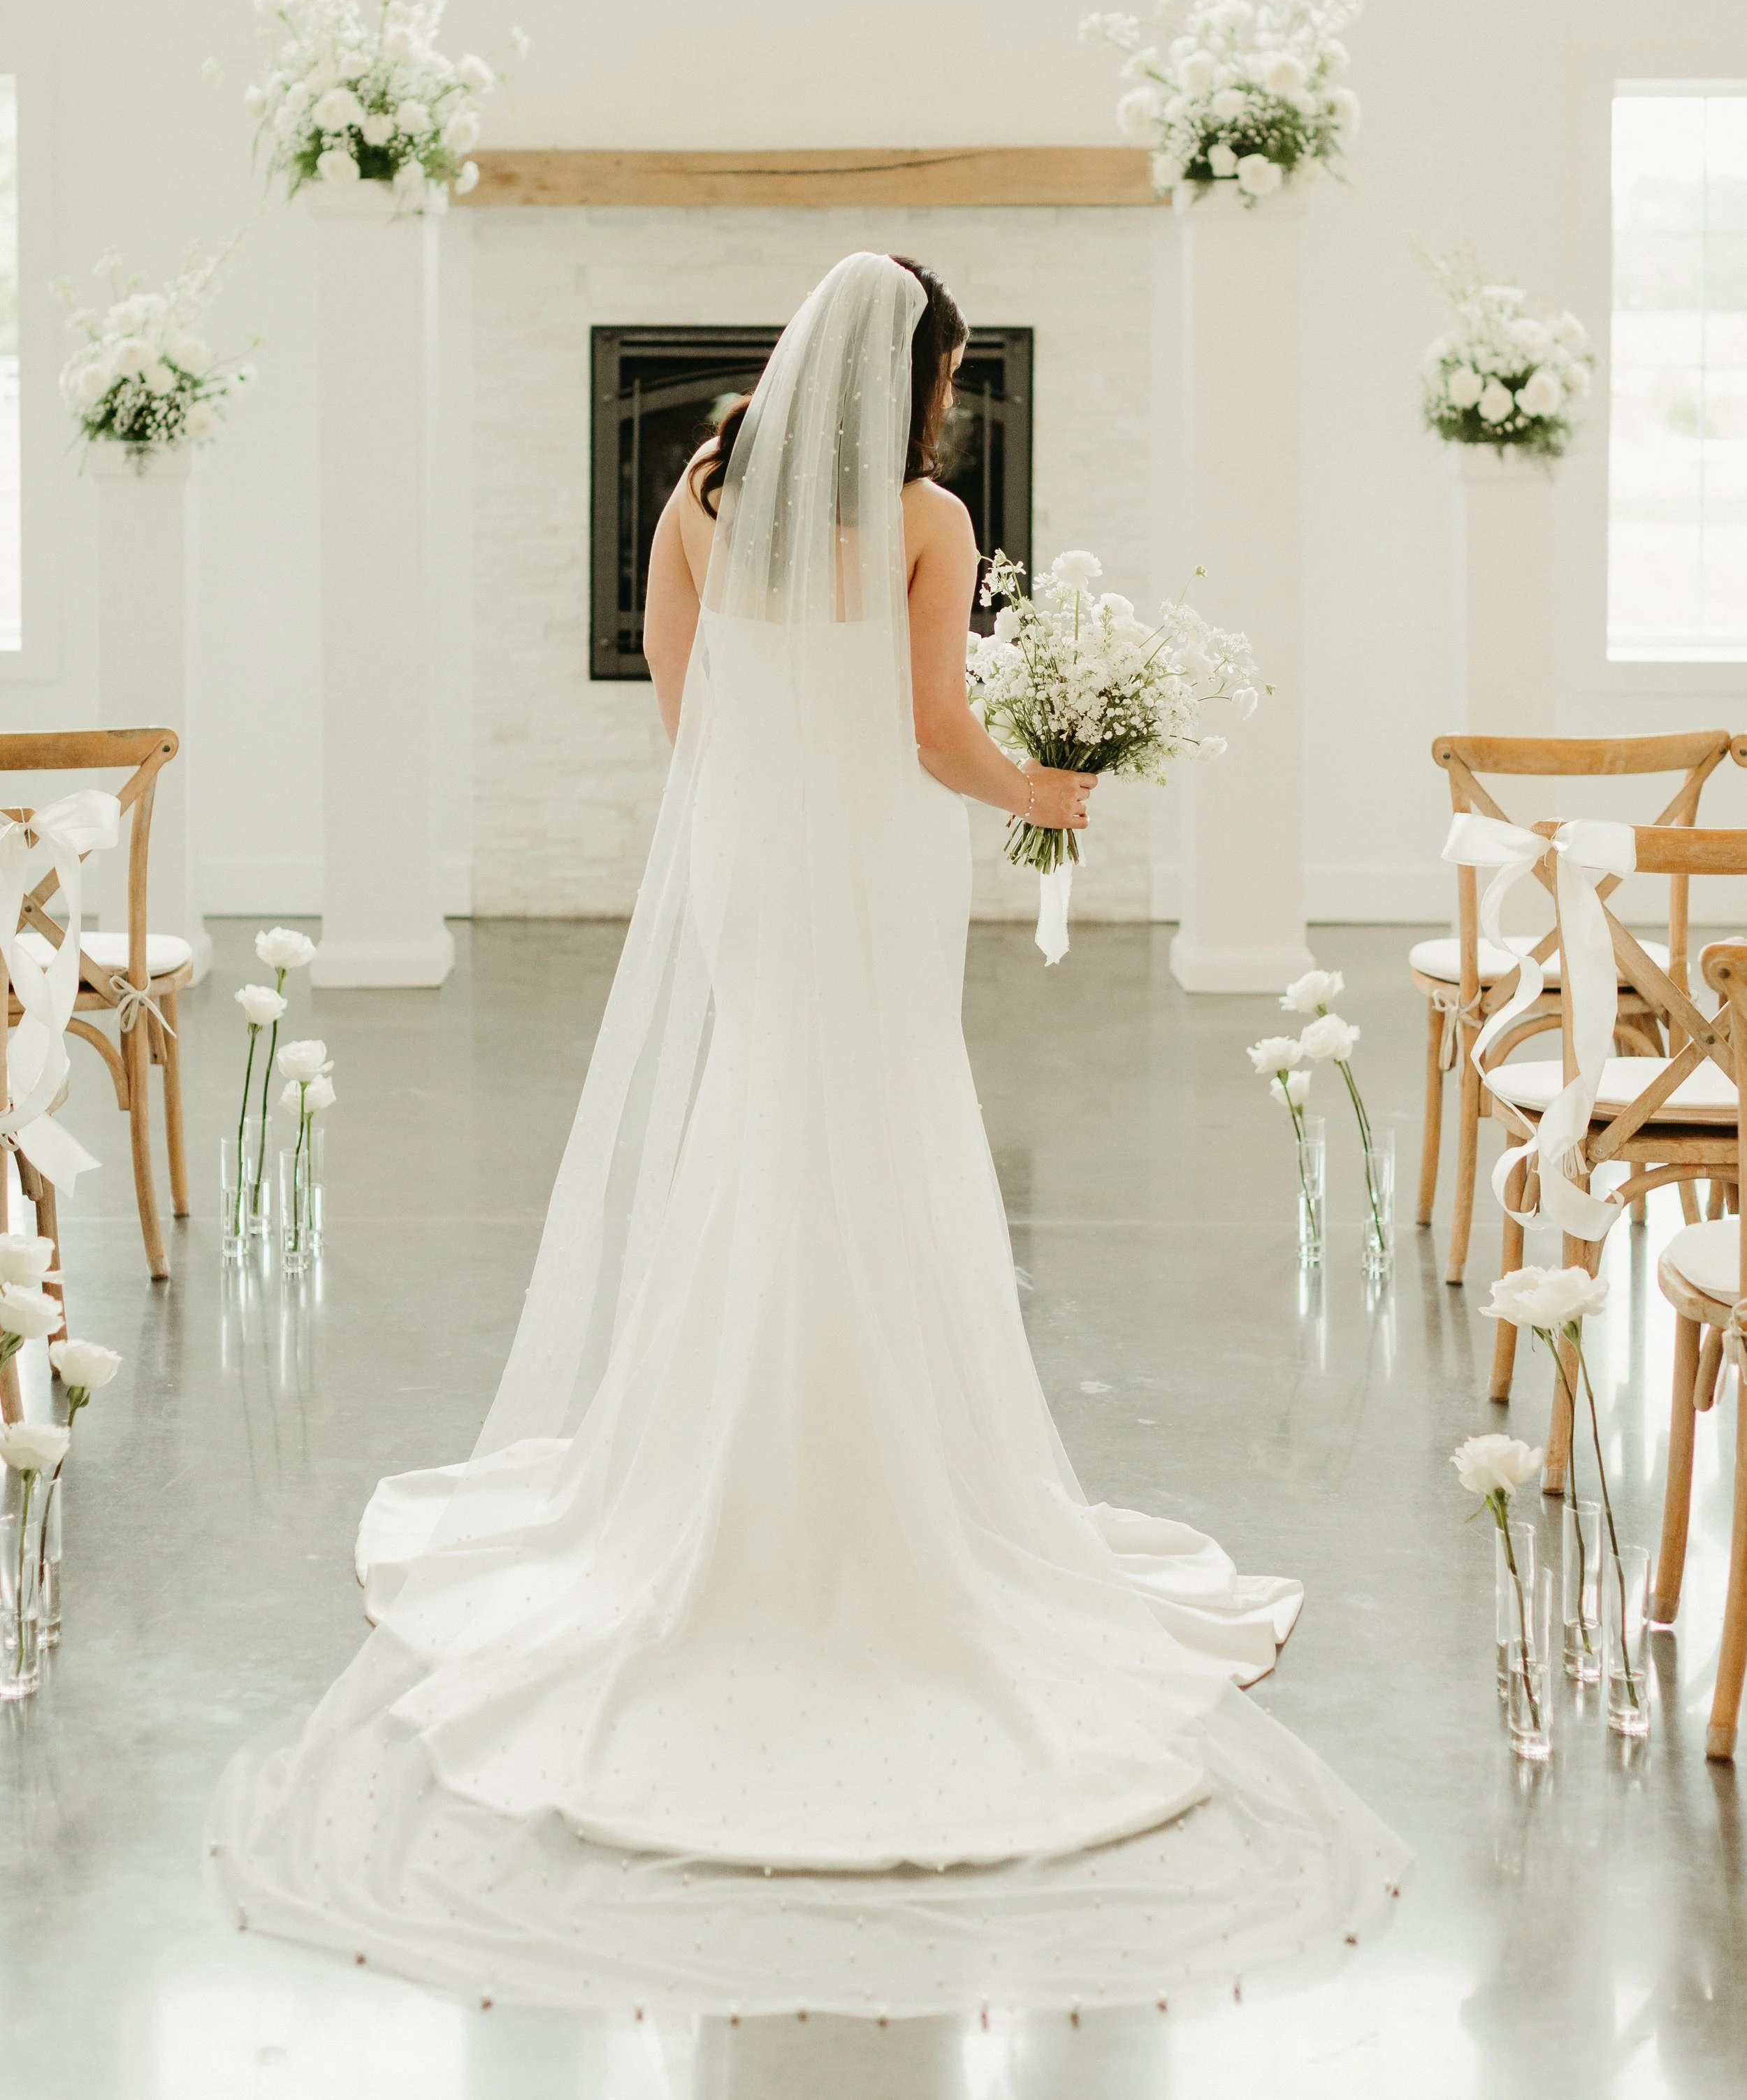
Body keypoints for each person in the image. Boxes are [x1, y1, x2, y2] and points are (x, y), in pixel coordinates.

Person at [210, 253, 1405, 2014]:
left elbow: (690, 725)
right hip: (868, 876)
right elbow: (933, 736)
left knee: (763, 1149)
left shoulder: (696, 499)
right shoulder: (920, 516)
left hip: (759, 875)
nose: (943, 402)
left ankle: (724, 1473)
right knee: (885, 1146)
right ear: (906, 376)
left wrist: (784, 805)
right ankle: (877, 1489)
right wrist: (1047, 789)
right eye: (942, 372)